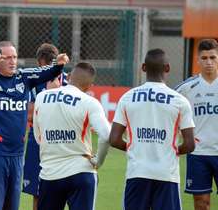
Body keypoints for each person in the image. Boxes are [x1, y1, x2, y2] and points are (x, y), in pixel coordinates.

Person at [0, 41, 69, 210]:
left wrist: (59, 62)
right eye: (7, 57)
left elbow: (49, 71)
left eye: (15, 57)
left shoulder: (23, 77)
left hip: (17, 155)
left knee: (12, 207)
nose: (13, 61)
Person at [109, 48, 195, 210]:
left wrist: (134, 147)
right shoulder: (179, 101)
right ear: (167, 68)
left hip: (137, 173)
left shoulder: (127, 97)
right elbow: (190, 144)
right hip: (166, 175)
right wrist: (170, 150)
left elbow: (114, 139)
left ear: (143, 68)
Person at [33, 62, 111, 210]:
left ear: (68, 77)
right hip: (80, 171)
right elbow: (106, 135)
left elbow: (38, 137)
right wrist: (98, 161)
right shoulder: (90, 102)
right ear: (89, 87)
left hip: (50, 173)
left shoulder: (41, 97)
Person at [22, 43, 68, 210]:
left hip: (39, 137)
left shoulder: (34, 78)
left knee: (38, 192)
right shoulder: (70, 79)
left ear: (39, 61)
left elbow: (28, 113)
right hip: (64, 137)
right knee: (64, 190)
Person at [175, 39, 218, 210]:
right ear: (198, 60)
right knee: (201, 203)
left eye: (213, 58)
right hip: (198, 153)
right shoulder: (186, 88)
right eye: (205, 58)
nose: (209, 62)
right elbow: (168, 108)